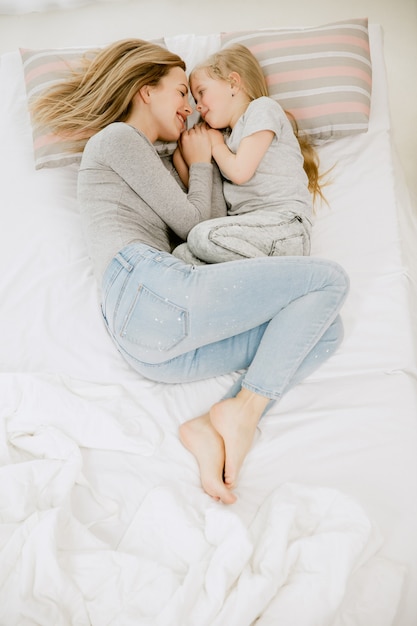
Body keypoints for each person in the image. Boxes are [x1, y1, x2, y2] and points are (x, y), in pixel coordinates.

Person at [31, 38, 349, 505]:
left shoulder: (157, 157)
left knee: (325, 329)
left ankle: (220, 418)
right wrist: (201, 161)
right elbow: (196, 224)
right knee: (330, 280)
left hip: (156, 347)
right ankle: (243, 415)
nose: (190, 108)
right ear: (145, 91)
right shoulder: (118, 140)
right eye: (182, 92)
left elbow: (212, 223)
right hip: (144, 286)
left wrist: (199, 162)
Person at [172, 43, 323, 265]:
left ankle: (289, 275)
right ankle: (265, 283)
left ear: (233, 83)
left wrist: (215, 145)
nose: (198, 107)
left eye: (202, 93)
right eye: (196, 100)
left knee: (201, 236)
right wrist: (185, 148)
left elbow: (240, 171)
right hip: (245, 235)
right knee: (181, 256)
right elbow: (211, 204)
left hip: (285, 226)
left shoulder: (262, 109)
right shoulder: (224, 137)